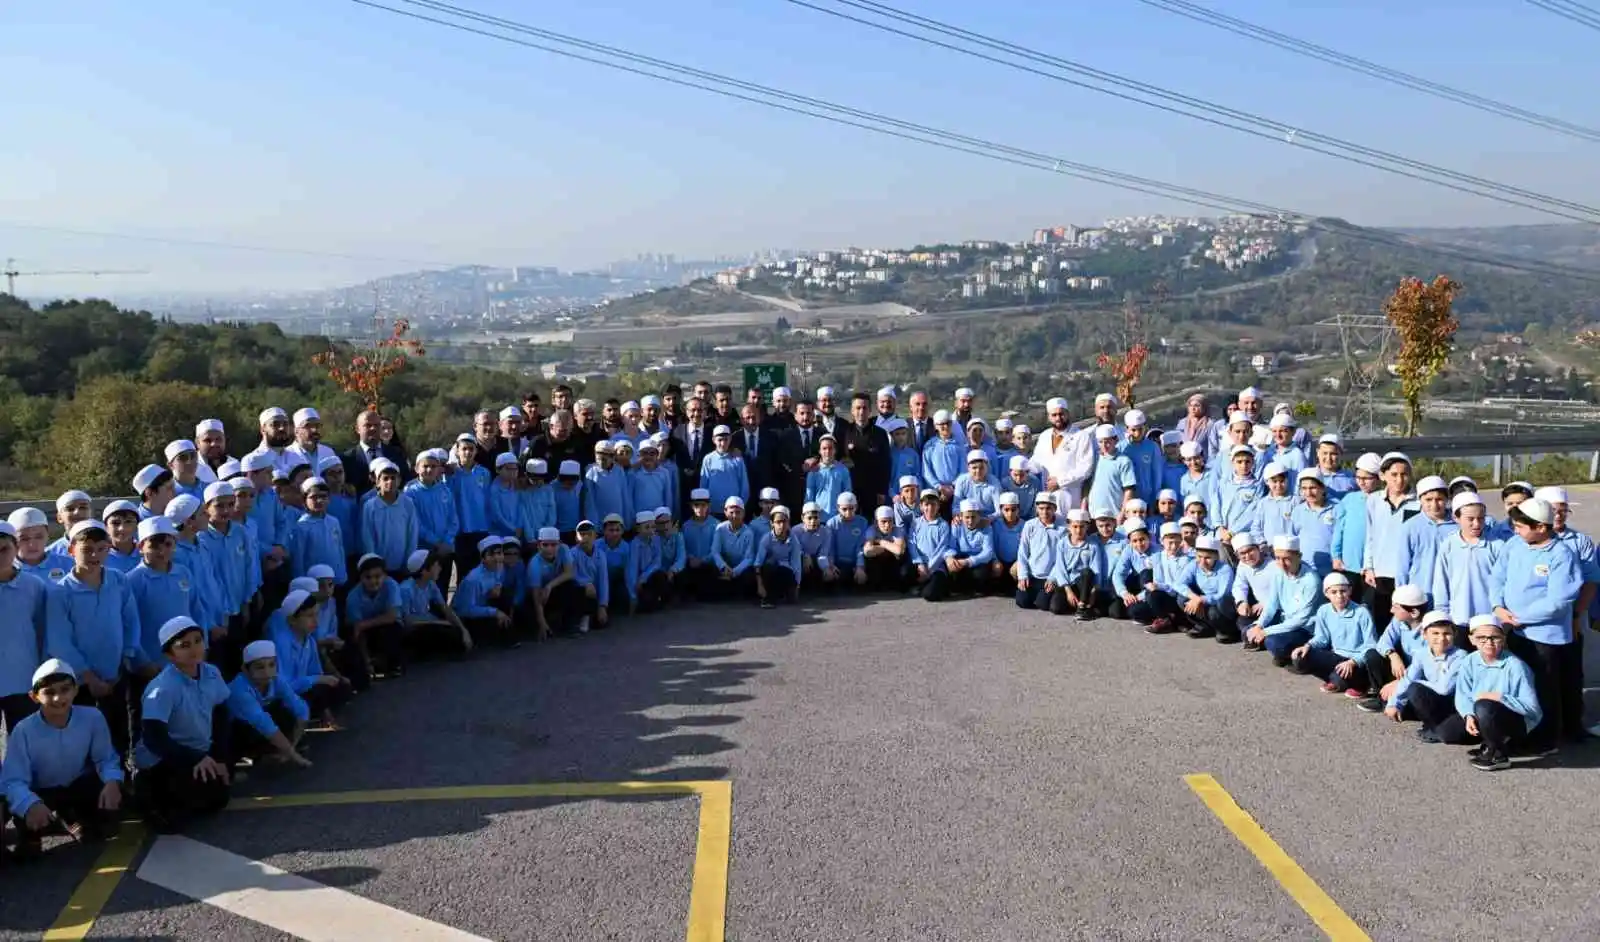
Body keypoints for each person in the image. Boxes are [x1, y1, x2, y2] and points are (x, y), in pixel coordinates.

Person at [0, 659, 124, 855]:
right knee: (28, 845)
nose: (58, 698)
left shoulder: (93, 717)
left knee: (107, 823)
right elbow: (12, 780)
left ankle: (71, 816)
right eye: (49, 692)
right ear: (34, 697)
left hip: (77, 784)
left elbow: (105, 758)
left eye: (65, 689)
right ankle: (33, 831)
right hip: (41, 792)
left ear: (75, 690)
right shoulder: (23, 730)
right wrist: (30, 804)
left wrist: (112, 782)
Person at [1490, 497, 1583, 752]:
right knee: (1520, 685)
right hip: (1515, 630)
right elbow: (1497, 576)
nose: (1516, 531)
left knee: (1544, 688)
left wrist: (1519, 617)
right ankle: (1520, 732)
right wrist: (1497, 606)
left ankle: (1546, 739)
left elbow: (1558, 601)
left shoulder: (1562, 555)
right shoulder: (1514, 545)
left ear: (1541, 527)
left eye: (1521, 527)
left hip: (1546, 636)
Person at [45, 520, 140, 758]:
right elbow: (60, 640)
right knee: (83, 734)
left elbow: (130, 620)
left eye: (101, 548)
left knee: (119, 730)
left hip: (116, 673)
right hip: (80, 682)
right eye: (87, 549)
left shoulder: (118, 581)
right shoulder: (60, 592)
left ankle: (120, 781)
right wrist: (88, 677)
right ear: (71, 550)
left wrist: (126, 656)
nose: (95, 555)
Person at [134, 616, 233, 833]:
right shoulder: (162, 688)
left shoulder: (212, 673)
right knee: (172, 822)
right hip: (164, 758)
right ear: (170, 654)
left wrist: (219, 757)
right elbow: (154, 739)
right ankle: (147, 793)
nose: (194, 649)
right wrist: (195, 758)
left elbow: (221, 714)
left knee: (217, 799)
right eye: (184, 646)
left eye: (198, 640)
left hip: (199, 753)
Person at [1455, 616, 1543, 771]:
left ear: (1503, 639)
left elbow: (1533, 709)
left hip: (1516, 721)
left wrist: (1499, 697)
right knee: (1448, 733)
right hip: (1483, 714)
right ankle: (1490, 741)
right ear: (1471, 639)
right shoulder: (1469, 661)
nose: (1488, 642)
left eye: (1494, 637)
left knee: (1484, 706)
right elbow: (1462, 693)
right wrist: (1468, 714)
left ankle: (1498, 754)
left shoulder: (1516, 666)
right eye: (1481, 638)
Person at [225, 640, 313, 770]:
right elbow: (262, 722)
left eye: (271, 665)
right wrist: (296, 757)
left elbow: (301, 709)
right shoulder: (239, 689)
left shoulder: (276, 680)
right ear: (245, 669)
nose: (267, 672)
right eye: (260, 667)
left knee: (286, 713)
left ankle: (279, 750)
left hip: (259, 725)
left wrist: (292, 746)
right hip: (236, 731)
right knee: (248, 727)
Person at [1383, 613, 1470, 743]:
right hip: (1434, 699)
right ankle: (1433, 724)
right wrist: (1394, 703)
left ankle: (1434, 726)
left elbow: (1445, 689)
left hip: (1453, 705)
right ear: (1424, 634)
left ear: (1454, 635)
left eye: (1447, 634)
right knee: (1399, 701)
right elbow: (1408, 678)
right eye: (1435, 633)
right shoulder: (1422, 654)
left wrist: (1417, 683)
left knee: (1414, 689)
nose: (1441, 638)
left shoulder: (1461, 656)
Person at [1289, 573, 1379, 696]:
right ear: (1326, 594)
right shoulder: (1324, 611)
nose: (1339, 596)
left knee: (1344, 674)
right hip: (1336, 657)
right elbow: (1322, 638)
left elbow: (1371, 645)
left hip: (1356, 662)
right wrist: (1307, 646)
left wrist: (1353, 662)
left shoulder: (1361, 613)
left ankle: (1357, 684)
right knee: (1302, 657)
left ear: (1350, 590)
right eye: (1334, 592)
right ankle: (1337, 679)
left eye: (1343, 591)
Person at [0, 521, 48, 734]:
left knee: (24, 739)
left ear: (15, 547)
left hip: (24, 679)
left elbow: (43, 630)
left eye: (4, 549)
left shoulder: (33, 586)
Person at [1243, 535, 1321, 666]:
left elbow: (1300, 620)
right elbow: (1272, 604)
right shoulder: (1279, 573)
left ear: (1299, 556)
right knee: (1247, 632)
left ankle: (1293, 653)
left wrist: (1265, 631)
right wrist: (1259, 625)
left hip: (1305, 628)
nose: (1282, 564)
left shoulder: (1311, 581)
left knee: (1274, 643)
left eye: (1287, 559)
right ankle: (1267, 642)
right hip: (1285, 621)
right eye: (1278, 558)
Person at [399, 549, 473, 655]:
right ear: (424, 570)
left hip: (428, 622)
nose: (440, 568)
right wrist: (439, 622)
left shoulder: (430, 584)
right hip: (414, 628)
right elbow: (407, 621)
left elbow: (445, 608)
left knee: (457, 631)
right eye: (436, 565)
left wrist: (463, 629)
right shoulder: (406, 589)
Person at [1047, 509, 1103, 619]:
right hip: (1067, 583)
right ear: (1069, 526)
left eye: (1082, 527)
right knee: (1056, 608)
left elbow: (1096, 570)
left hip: (1083, 584)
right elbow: (1060, 568)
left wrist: (1093, 593)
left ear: (1087, 527)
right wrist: (1068, 591)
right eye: (1075, 526)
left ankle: (1082, 606)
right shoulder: (1062, 544)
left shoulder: (1093, 545)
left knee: (1087, 572)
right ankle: (1079, 604)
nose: (1078, 530)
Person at [1014, 493, 1062, 611]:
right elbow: (1023, 552)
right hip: (1032, 574)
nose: (1045, 512)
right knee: (1022, 602)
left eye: (1048, 509)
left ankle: (1054, 593)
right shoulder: (1030, 525)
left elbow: (1061, 559)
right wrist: (1023, 575)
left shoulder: (1062, 529)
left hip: (1048, 576)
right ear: (1036, 509)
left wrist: (1052, 578)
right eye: (1041, 508)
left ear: (1055, 509)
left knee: (1043, 605)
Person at [1182, 535, 1235, 640]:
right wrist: (1194, 598)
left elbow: (1222, 594)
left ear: (1216, 556)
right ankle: (1204, 626)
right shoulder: (1193, 564)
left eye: (1207, 558)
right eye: (1199, 556)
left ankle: (1226, 630)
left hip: (1221, 606)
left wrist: (1202, 599)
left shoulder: (1225, 569)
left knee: (1214, 611)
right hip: (1202, 600)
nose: (1202, 561)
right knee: (1182, 598)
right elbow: (1179, 583)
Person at [755, 506, 802, 609]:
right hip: (769, 572)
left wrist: (796, 586)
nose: (782, 525)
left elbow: (796, 564)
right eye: (778, 522)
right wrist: (760, 585)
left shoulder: (794, 540)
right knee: (770, 564)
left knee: (792, 600)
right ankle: (768, 598)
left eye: (784, 521)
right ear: (772, 524)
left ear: (788, 522)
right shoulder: (766, 539)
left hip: (785, 572)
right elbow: (758, 563)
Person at [910, 491, 953, 602]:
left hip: (936, 567)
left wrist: (929, 568)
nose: (930, 508)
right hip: (919, 566)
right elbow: (912, 544)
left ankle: (934, 587)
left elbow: (942, 549)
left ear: (938, 506)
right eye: (926, 504)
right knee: (904, 574)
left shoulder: (943, 525)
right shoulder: (915, 523)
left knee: (929, 595)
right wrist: (920, 564)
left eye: (933, 504)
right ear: (921, 506)